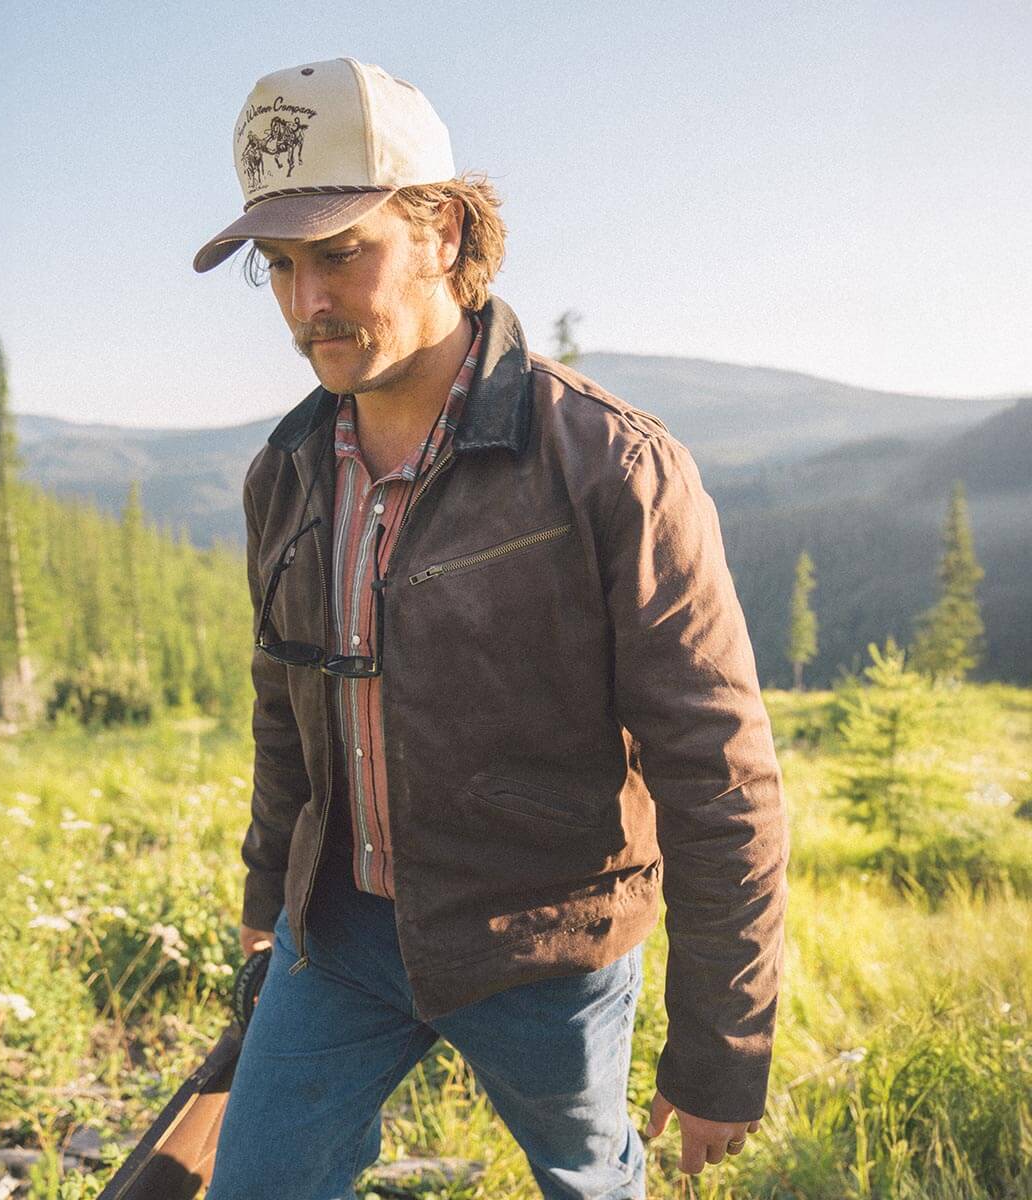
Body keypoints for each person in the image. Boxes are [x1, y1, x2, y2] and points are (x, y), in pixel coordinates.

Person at [192, 57, 789, 1200]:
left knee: (587, 1179)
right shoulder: (289, 471)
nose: (307, 304)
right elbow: (287, 712)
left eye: (340, 253)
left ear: (444, 230)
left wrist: (723, 1044)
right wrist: (270, 901)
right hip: (338, 936)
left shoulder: (609, 464)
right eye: (280, 265)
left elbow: (719, 771)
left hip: (544, 946)